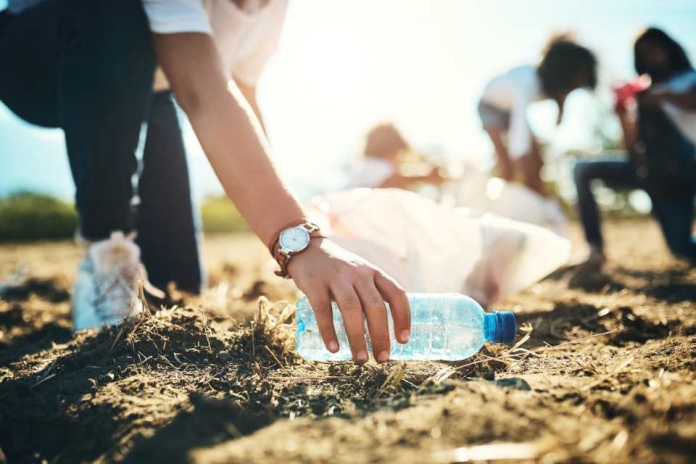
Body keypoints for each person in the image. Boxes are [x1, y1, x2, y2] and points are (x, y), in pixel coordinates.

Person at [0, 0, 411, 365]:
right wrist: (298, 239)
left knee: (179, 287)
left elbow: (239, 94)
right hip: (41, 47)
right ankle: (104, 251)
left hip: (149, 88)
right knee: (113, 10)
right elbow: (203, 93)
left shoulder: (272, 10)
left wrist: (297, 215)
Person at [574, 27, 696, 266]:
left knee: (682, 250)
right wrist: (622, 114)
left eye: (654, 49)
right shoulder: (643, 93)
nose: (651, 57)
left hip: (681, 173)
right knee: (583, 169)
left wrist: (662, 98)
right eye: (643, 53)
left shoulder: (689, 79)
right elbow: (631, 147)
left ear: (669, 48)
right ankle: (595, 249)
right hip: (648, 171)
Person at [478, 35, 597, 226]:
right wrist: (524, 166)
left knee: (538, 161)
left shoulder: (555, 86)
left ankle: (537, 207)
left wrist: (561, 110)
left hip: (511, 109)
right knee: (508, 165)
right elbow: (520, 135)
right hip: (490, 106)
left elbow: (561, 94)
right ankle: (501, 213)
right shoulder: (525, 82)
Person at [345, 123, 446, 190]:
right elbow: (391, 180)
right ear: (389, 148)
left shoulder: (362, 167)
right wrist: (422, 176)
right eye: (398, 154)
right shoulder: (372, 166)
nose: (398, 161)